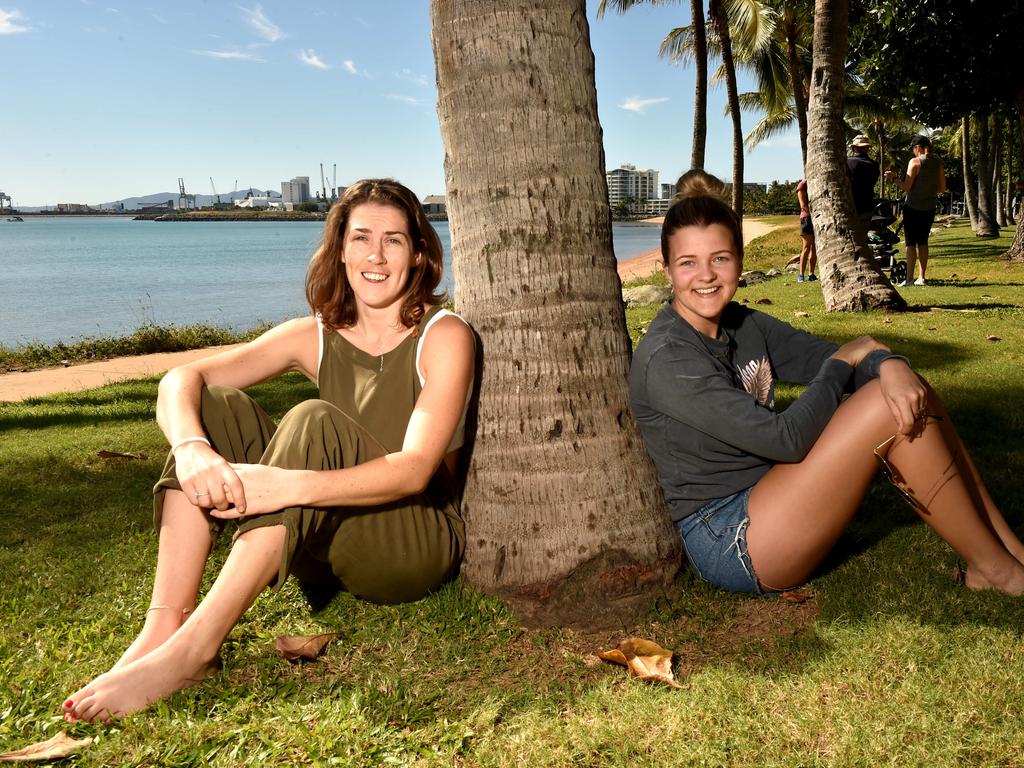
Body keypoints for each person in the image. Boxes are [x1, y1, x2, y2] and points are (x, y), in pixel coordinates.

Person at [61, 179, 476, 723]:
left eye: (394, 240)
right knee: (217, 405)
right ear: (340, 250)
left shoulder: (443, 335)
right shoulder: (317, 334)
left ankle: (195, 650)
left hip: (407, 543)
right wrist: (191, 449)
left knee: (312, 419)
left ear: (419, 252)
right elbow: (181, 378)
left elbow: (413, 471)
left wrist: (284, 485)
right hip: (321, 541)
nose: (375, 255)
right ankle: (165, 625)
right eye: (361, 238)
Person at [629, 170, 1024, 597]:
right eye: (688, 263)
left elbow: (830, 359)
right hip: (729, 534)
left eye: (720, 258)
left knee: (905, 387)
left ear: (739, 261)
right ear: (667, 269)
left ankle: (1009, 552)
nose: (706, 275)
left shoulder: (744, 324)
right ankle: (998, 572)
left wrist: (891, 361)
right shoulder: (668, 357)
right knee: (881, 407)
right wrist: (847, 358)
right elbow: (788, 439)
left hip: (773, 493)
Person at [885, 135, 946, 286]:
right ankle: (922, 277)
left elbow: (906, 187)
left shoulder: (915, 162)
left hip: (912, 207)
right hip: (930, 207)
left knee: (911, 243)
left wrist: (894, 178)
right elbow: (942, 188)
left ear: (917, 147)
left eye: (913, 149)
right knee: (923, 242)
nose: (913, 152)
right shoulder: (938, 162)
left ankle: (909, 278)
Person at [847, 134, 880, 229]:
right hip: (868, 205)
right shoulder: (874, 165)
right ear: (868, 148)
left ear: (854, 148)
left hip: (852, 204)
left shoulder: (848, 162)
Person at [795, 179, 817, 283]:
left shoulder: (816, 181)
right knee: (806, 247)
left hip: (816, 218)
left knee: (815, 248)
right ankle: (801, 275)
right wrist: (812, 216)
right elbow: (803, 205)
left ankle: (811, 274)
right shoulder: (803, 184)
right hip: (807, 218)